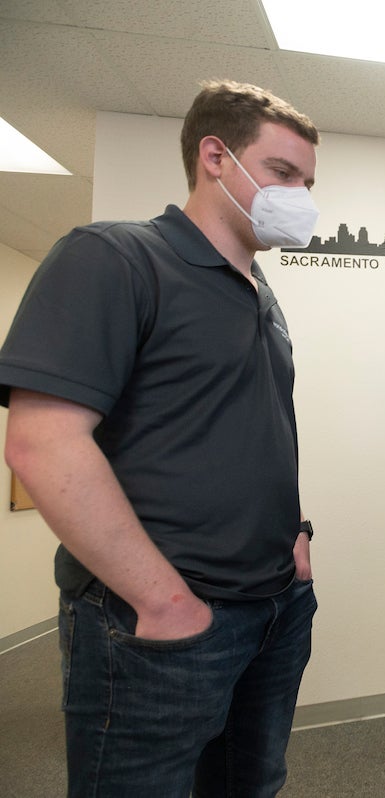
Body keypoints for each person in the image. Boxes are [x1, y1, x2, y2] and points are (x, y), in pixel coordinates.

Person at [0, 79, 322, 797]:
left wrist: (294, 541)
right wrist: (164, 602)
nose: (300, 195)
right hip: (158, 624)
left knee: (250, 786)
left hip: (274, 607)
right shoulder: (114, 258)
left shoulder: (261, 296)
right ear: (215, 156)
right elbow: (41, 445)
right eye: (282, 173)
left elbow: (250, 438)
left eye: (307, 181)